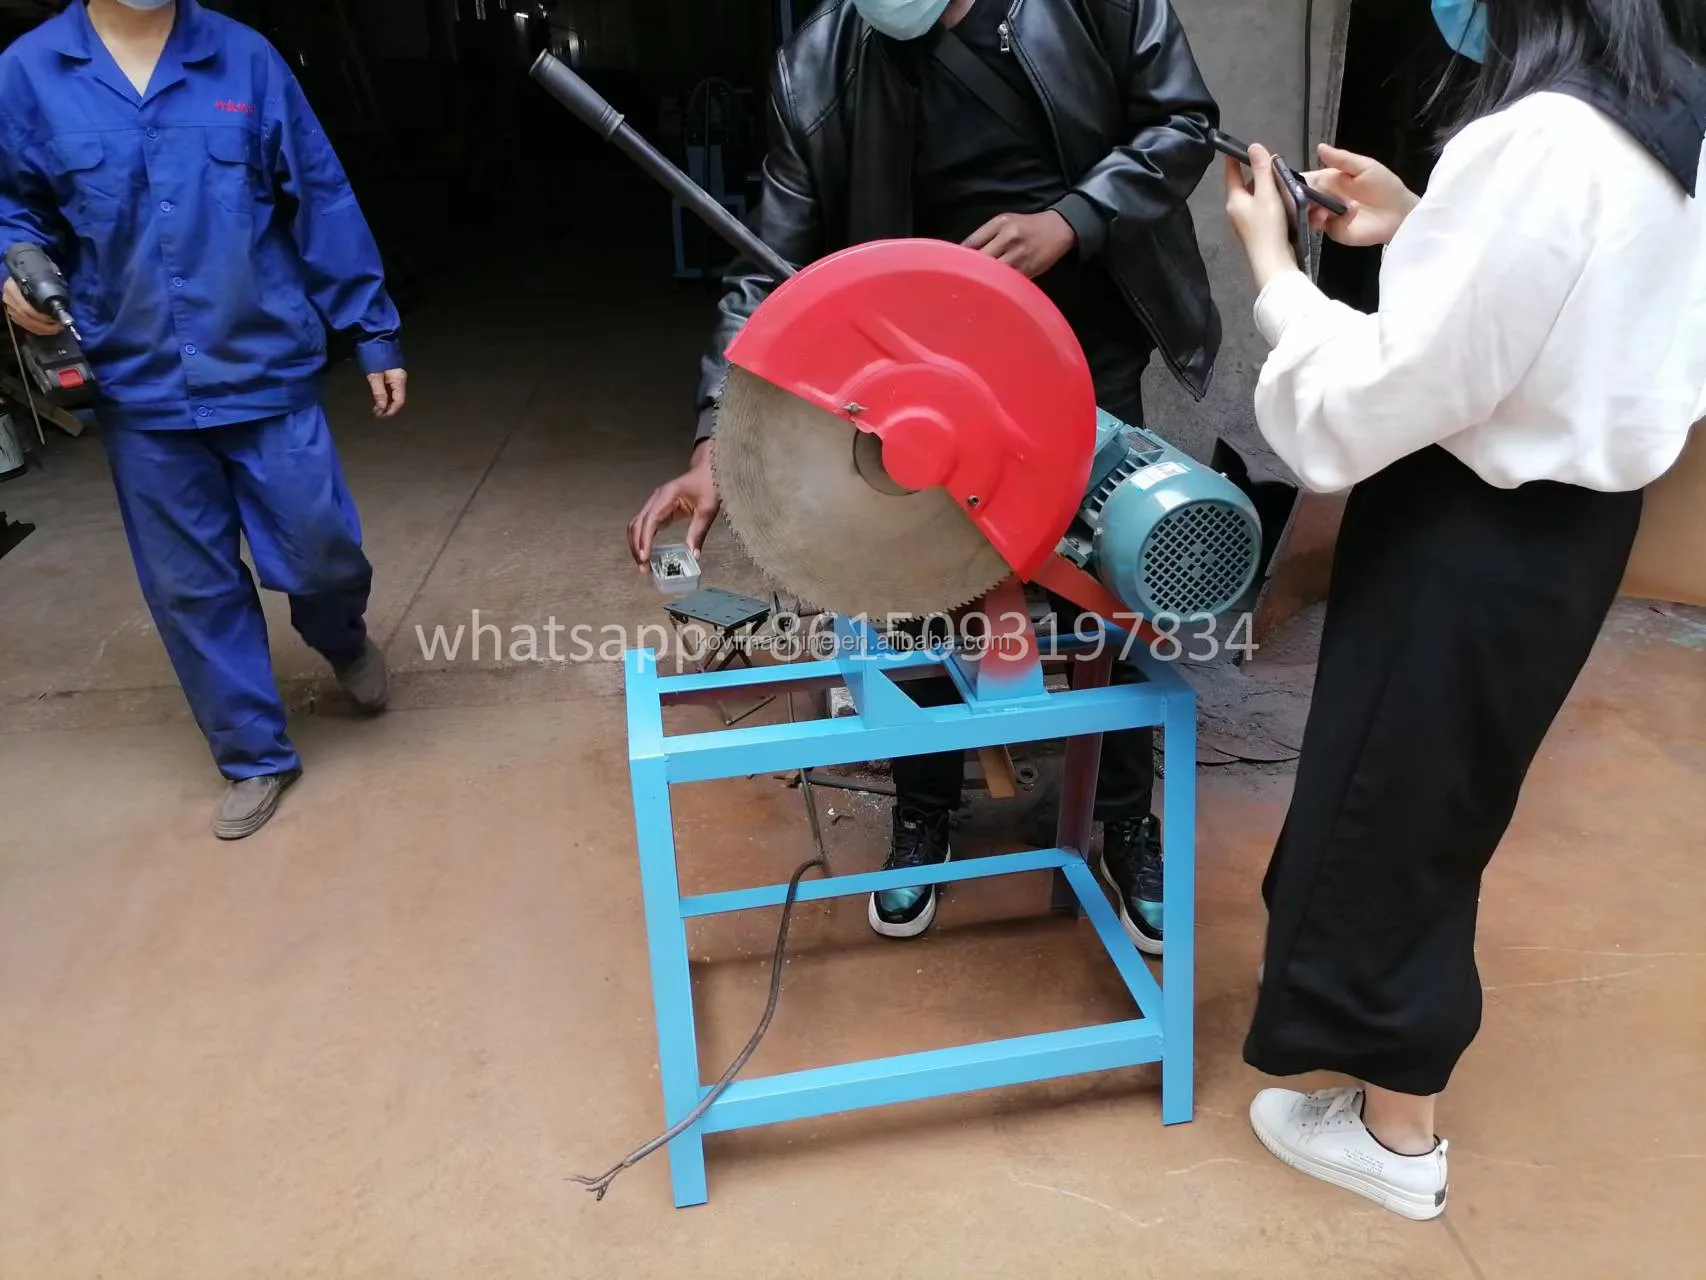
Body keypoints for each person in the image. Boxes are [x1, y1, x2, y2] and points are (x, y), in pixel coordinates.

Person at [1221, 0, 1705, 1220]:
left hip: (1466, 526)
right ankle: (1389, 1093)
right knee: (1436, 800)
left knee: (1389, 810)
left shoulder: (1535, 138)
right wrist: (1427, 220)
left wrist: (1274, 272)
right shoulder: (1670, 113)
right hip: (1569, 532)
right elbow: (1577, 300)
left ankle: (1395, 1136)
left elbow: (1378, 397)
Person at [627, 0, 1222, 949]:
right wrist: (714, 446)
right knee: (915, 587)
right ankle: (925, 811)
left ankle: (1123, 820)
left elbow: (1183, 122)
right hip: (917, 374)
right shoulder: (816, 66)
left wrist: (1072, 219)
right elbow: (765, 273)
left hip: (1076, 357)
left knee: (1105, 589)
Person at [0, 0, 408, 840]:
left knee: (321, 548)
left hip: (263, 365)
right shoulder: (29, 72)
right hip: (139, 381)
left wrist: (372, 330)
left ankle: (339, 634)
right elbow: (11, 203)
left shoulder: (244, 58)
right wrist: (12, 267)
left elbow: (319, 195)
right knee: (192, 586)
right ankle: (254, 754)